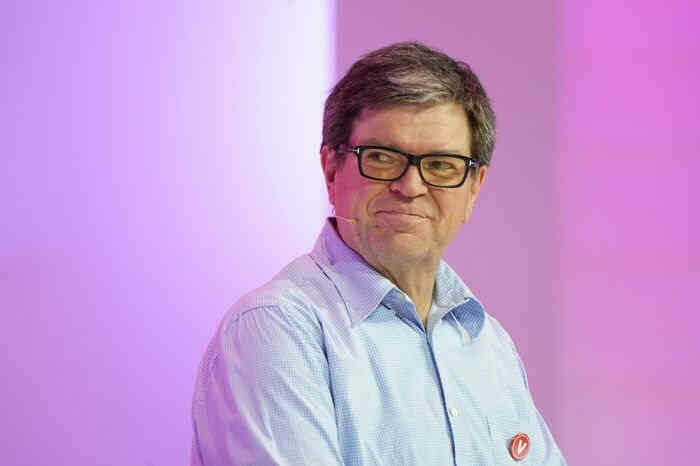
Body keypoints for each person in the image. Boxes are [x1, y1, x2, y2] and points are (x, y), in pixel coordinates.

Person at [191, 41, 566, 465]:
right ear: (331, 169)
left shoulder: (488, 344)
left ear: (474, 187)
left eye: (441, 165)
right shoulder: (275, 331)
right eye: (383, 158)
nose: (410, 186)